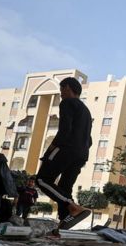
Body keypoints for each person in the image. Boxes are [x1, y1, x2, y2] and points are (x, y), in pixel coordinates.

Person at [36, 77, 92, 230]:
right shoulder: (86, 111)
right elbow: (90, 139)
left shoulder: (67, 103)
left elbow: (64, 130)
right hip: (82, 154)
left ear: (68, 87)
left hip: (67, 149)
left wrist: (51, 149)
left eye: (61, 89)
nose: (61, 93)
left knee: (42, 179)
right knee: (65, 187)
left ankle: (72, 207)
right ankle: (65, 219)